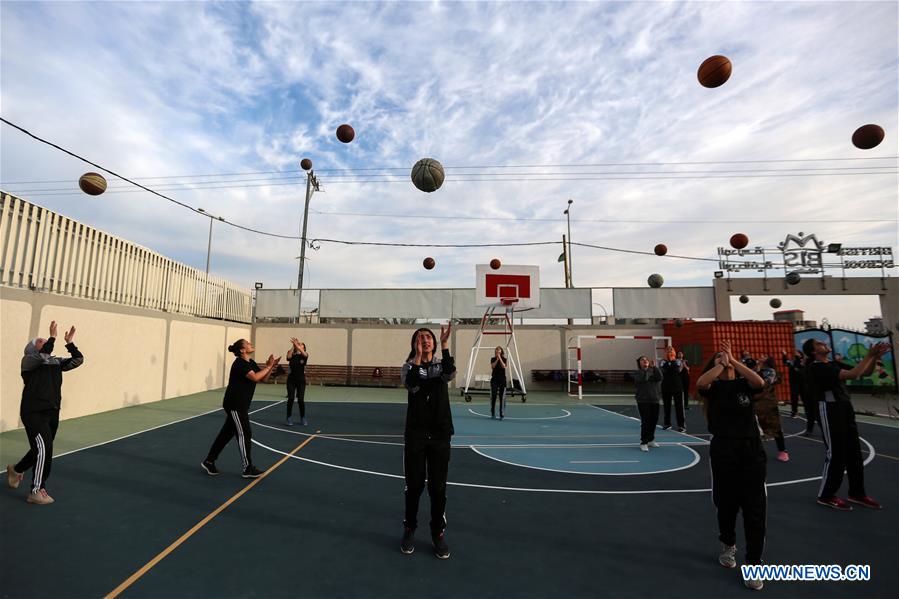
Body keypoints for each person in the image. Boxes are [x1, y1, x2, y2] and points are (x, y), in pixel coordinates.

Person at [696, 341, 766, 591]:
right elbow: (700, 384)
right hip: (724, 450)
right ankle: (728, 543)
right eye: (718, 356)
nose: (723, 359)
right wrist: (719, 365)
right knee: (726, 504)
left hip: (751, 450)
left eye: (725, 355)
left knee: (755, 508)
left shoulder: (744, 384)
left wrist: (734, 361)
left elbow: (760, 383)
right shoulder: (713, 388)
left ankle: (754, 563)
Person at [802, 338, 890, 511]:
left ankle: (857, 493)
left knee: (854, 453)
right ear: (813, 352)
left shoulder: (833, 364)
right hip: (829, 409)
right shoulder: (817, 367)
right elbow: (853, 375)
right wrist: (869, 355)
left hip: (844, 407)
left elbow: (863, 373)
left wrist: (874, 358)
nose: (824, 344)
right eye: (819, 344)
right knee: (836, 453)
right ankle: (826, 495)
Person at [7, 321, 83, 505]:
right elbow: (43, 355)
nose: (45, 341)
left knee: (43, 448)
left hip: (52, 412)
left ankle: (16, 470)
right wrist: (52, 337)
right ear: (31, 348)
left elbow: (78, 360)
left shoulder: (54, 362)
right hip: (33, 411)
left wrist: (70, 343)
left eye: (45, 340)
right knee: (43, 449)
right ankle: (36, 490)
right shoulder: (29, 361)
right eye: (40, 340)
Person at [400, 324, 455, 559]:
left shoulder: (441, 366)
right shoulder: (408, 367)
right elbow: (412, 384)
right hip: (416, 435)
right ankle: (410, 529)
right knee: (414, 487)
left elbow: (450, 373)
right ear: (414, 343)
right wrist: (418, 357)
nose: (425, 339)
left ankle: (438, 533)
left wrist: (444, 345)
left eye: (429, 337)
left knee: (438, 488)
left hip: (440, 434)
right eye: (421, 337)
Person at [202, 339, 279, 478]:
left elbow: (264, 379)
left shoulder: (250, 363)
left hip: (241, 404)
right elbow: (255, 377)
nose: (251, 344)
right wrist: (268, 367)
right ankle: (247, 468)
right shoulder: (239, 364)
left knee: (226, 434)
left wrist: (270, 366)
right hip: (235, 405)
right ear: (242, 350)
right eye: (248, 343)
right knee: (245, 433)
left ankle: (209, 461)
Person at [755, 357, 789, 462]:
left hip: (768, 403)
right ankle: (757, 451)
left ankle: (783, 451)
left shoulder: (770, 372)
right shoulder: (758, 370)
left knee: (776, 427)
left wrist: (757, 371)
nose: (761, 358)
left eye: (764, 357)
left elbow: (764, 384)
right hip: (757, 402)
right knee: (755, 427)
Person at [634, 356, 662, 451]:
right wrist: (648, 369)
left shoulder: (653, 371)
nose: (645, 360)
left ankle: (651, 440)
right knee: (646, 421)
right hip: (643, 401)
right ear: (639, 363)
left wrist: (654, 367)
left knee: (654, 421)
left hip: (654, 399)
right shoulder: (638, 373)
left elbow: (660, 377)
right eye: (642, 360)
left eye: (646, 359)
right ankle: (644, 442)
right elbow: (645, 378)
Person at [659, 347, 686, 432]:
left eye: (671, 350)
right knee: (667, 406)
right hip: (666, 386)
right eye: (667, 350)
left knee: (679, 406)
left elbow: (679, 370)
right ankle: (667, 424)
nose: (669, 351)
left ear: (674, 352)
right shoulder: (662, 362)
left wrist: (672, 361)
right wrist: (669, 362)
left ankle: (681, 425)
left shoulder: (679, 361)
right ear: (665, 352)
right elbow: (663, 370)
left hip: (677, 386)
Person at [285, 338, 308, 426]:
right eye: (299, 344)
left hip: (301, 380)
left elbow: (305, 354)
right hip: (291, 380)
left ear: (303, 348)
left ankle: (303, 417)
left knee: (301, 400)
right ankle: (289, 417)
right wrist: (293, 346)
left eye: (301, 344)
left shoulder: (304, 356)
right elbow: (288, 357)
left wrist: (298, 347)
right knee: (291, 398)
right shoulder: (292, 354)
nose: (299, 345)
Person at [781, 349, 804, 418]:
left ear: (800, 354)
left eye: (797, 352)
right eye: (795, 352)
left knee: (805, 398)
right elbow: (785, 362)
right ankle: (794, 412)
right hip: (794, 383)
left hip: (803, 383)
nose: (795, 353)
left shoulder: (803, 361)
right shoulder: (792, 362)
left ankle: (810, 412)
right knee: (794, 398)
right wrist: (784, 355)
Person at [490, 346, 507, 420]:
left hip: (502, 380)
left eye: (499, 350)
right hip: (494, 380)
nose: (497, 351)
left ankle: (501, 413)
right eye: (496, 350)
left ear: (501, 352)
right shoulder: (493, 359)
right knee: (493, 395)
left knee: (501, 397)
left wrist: (500, 358)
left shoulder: (504, 359)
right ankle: (493, 412)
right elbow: (493, 367)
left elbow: (504, 366)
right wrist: (497, 359)